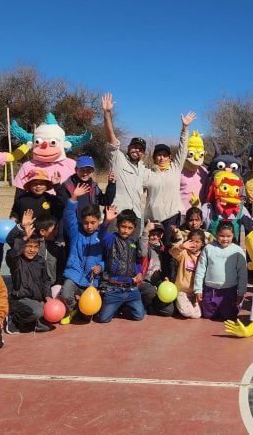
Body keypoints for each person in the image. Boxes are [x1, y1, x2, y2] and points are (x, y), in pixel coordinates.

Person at [142, 112, 197, 278]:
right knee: (150, 250)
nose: (161, 157)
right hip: (153, 219)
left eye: (165, 155)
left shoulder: (175, 168)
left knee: (170, 250)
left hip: (171, 216)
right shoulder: (148, 173)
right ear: (154, 158)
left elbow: (183, 148)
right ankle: (150, 279)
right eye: (158, 155)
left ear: (169, 157)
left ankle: (170, 279)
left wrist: (185, 128)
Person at [59, 184, 114, 324]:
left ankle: (81, 310)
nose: (89, 226)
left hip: (91, 279)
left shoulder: (102, 236)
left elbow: (106, 258)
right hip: (74, 274)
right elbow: (68, 216)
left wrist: (100, 267)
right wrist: (74, 197)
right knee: (65, 294)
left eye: (93, 223)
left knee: (87, 317)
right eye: (85, 223)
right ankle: (73, 309)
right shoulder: (75, 232)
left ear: (98, 222)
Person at [103, 92, 149, 239]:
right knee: (110, 251)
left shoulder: (143, 169)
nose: (137, 150)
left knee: (132, 252)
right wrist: (107, 113)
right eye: (134, 147)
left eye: (141, 149)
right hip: (116, 215)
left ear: (144, 153)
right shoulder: (118, 158)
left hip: (135, 217)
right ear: (128, 147)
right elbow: (111, 137)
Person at [4, 214, 55, 333]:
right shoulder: (16, 260)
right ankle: (13, 319)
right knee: (37, 312)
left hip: (37, 298)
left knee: (48, 316)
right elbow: (11, 242)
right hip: (20, 299)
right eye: (29, 246)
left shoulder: (40, 261)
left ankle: (32, 323)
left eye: (36, 247)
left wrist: (48, 296)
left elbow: (46, 280)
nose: (32, 250)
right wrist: (22, 231)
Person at [98, 209, 146, 323]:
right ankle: (115, 305)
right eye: (123, 226)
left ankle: (123, 307)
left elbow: (136, 262)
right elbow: (101, 236)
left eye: (130, 228)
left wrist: (139, 272)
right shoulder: (111, 239)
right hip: (113, 289)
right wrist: (106, 221)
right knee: (103, 319)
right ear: (118, 225)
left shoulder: (133, 242)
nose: (126, 230)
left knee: (139, 315)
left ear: (134, 228)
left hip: (131, 289)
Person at [192, 222, 247, 321]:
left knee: (229, 316)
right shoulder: (208, 248)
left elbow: (242, 273)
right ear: (216, 234)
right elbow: (200, 269)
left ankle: (235, 306)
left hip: (229, 290)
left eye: (228, 236)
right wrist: (198, 289)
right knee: (208, 316)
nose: (225, 239)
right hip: (210, 290)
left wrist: (241, 293)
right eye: (222, 236)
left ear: (233, 235)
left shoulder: (238, 251)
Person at [138, 220, 175, 317]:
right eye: (152, 234)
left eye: (158, 234)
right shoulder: (143, 244)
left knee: (169, 311)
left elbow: (168, 265)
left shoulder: (163, 249)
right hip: (143, 281)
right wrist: (145, 232)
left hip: (158, 282)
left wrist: (166, 277)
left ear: (162, 235)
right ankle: (142, 305)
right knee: (151, 292)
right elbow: (142, 252)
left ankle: (151, 307)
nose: (155, 237)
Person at [169, 228, 206, 318]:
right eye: (191, 241)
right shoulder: (184, 253)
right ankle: (177, 305)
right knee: (188, 313)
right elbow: (172, 251)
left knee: (198, 314)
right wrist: (182, 246)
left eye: (197, 242)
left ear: (202, 244)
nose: (194, 244)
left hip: (196, 292)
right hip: (182, 291)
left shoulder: (204, 255)